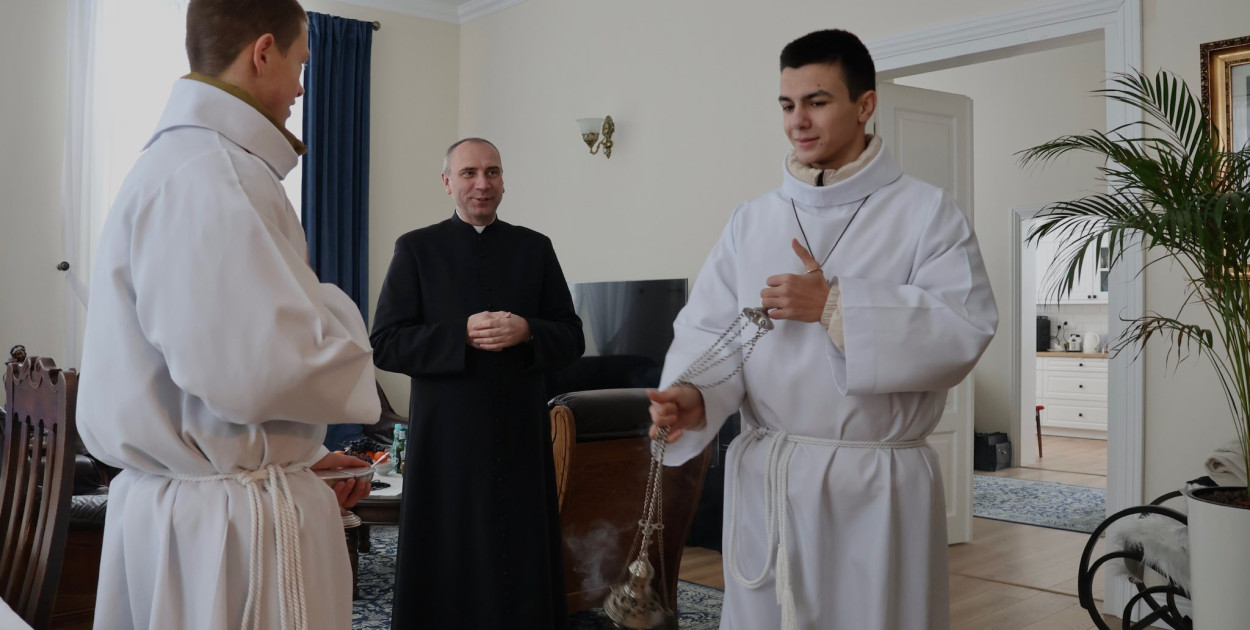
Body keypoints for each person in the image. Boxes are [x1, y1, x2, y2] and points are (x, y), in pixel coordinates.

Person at [647, 29, 997, 630]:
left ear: (865, 106)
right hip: (770, 478)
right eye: (787, 105)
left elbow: (964, 329)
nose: (797, 122)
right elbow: (713, 330)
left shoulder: (925, 213)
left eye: (817, 101)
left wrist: (837, 307)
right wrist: (694, 395)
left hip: (874, 487)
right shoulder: (751, 221)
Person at [76, 1, 380, 628]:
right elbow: (261, 370)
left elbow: (202, 364)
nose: (301, 86)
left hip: (197, 506)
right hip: (226, 536)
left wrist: (287, 453)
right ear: (262, 52)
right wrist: (334, 310)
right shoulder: (216, 174)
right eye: (300, 63)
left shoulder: (176, 163)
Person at [370, 138, 585, 629]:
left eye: (492, 172)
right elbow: (385, 343)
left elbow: (572, 338)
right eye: (468, 173)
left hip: (519, 434)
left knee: (518, 550)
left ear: (504, 181)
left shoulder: (535, 248)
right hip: (447, 440)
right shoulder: (416, 249)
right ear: (448, 182)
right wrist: (459, 334)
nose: (481, 184)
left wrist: (528, 330)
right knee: (448, 551)